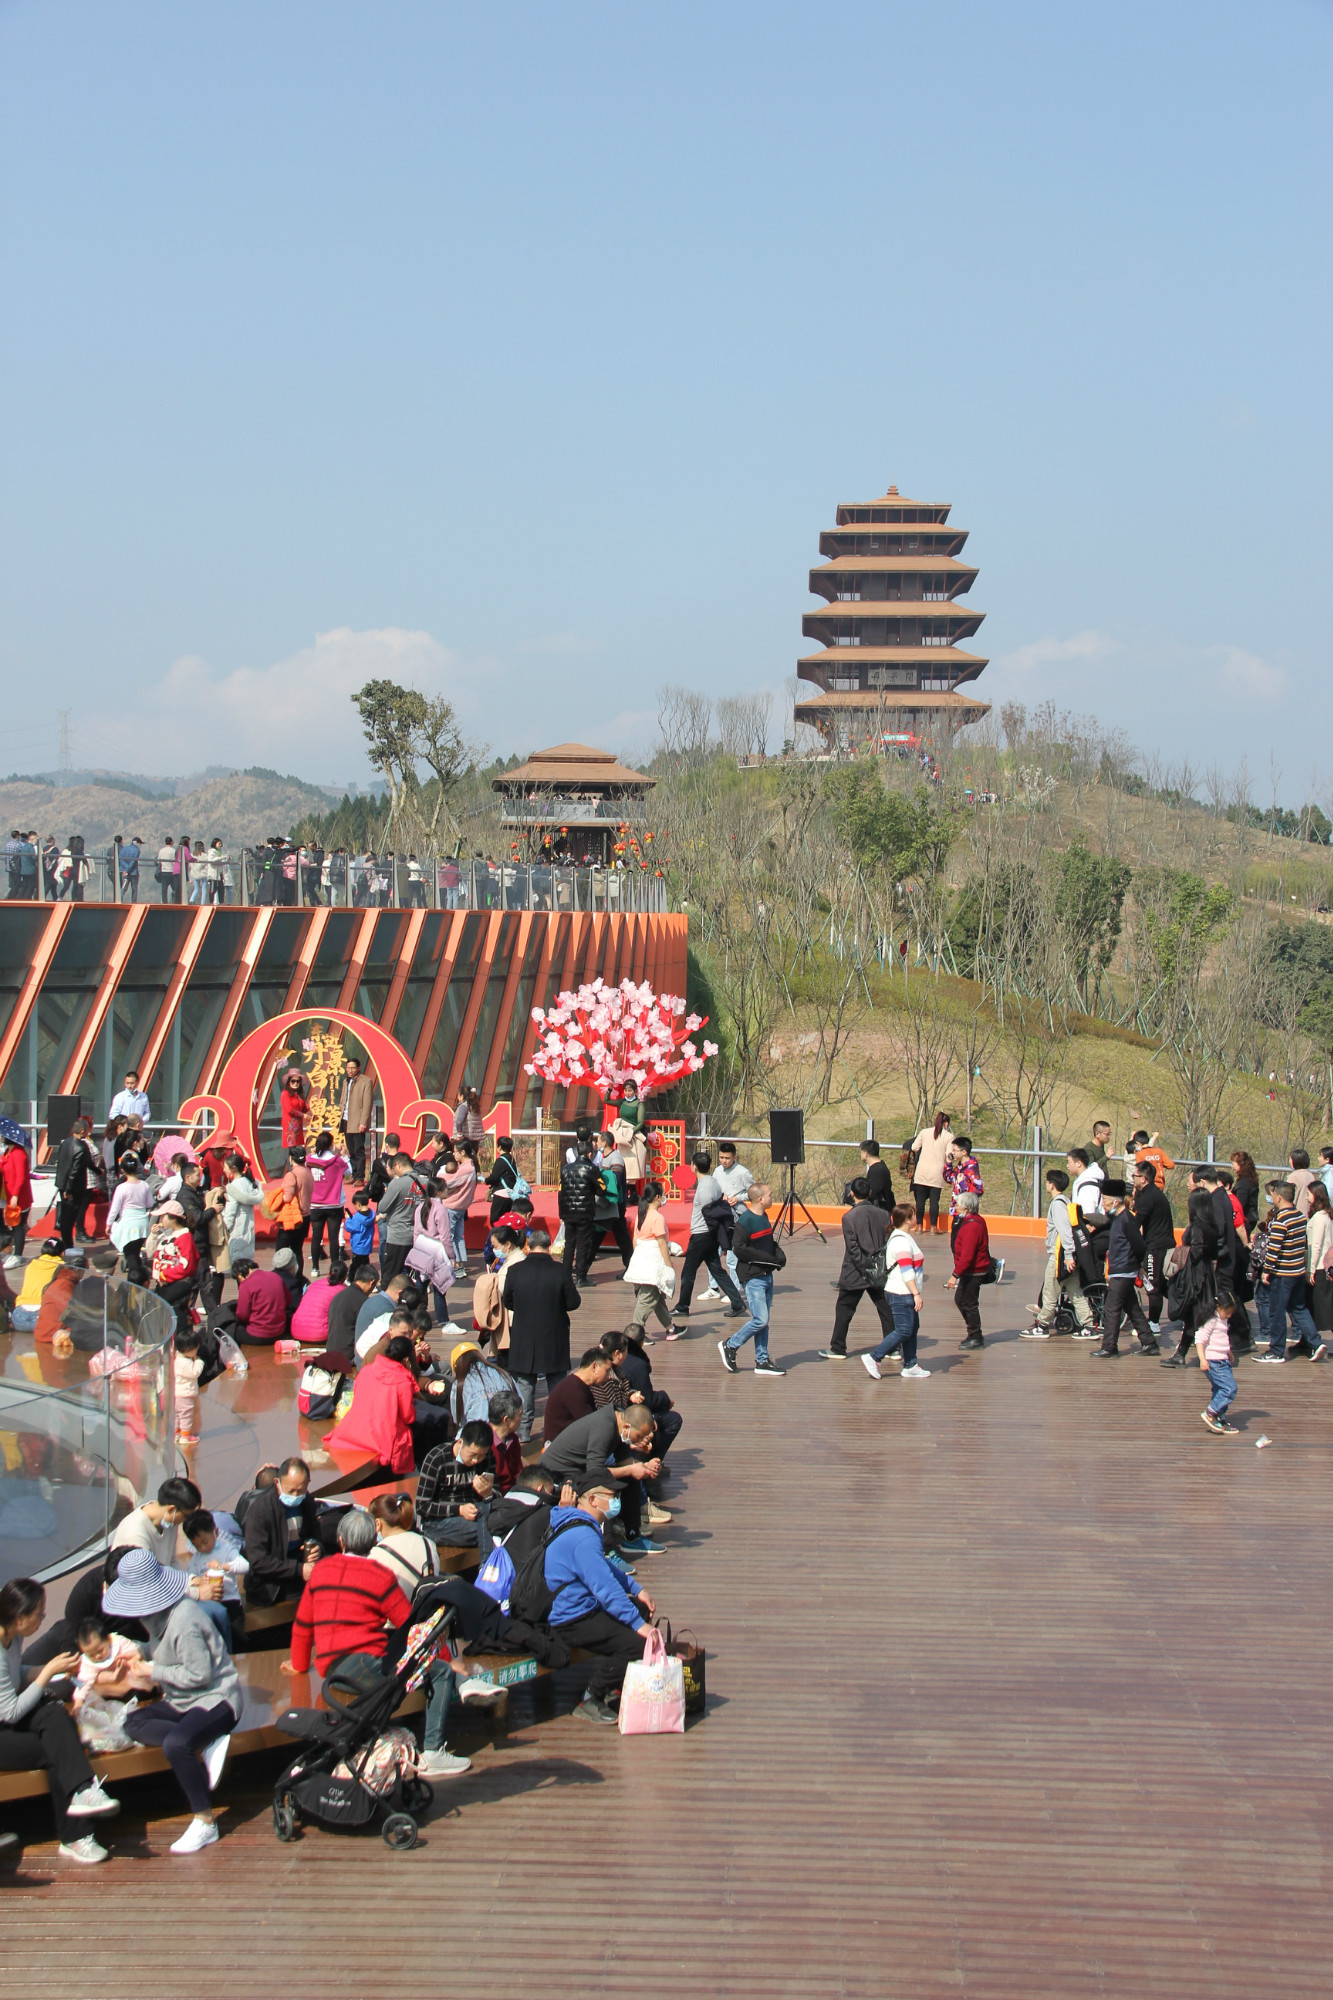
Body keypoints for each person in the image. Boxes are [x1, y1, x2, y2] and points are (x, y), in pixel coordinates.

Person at [284, 1508, 468, 1780]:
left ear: (341, 1540)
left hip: (332, 1671)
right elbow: (412, 1627)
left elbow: (302, 1625)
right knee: (440, 1672)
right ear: (374, 1541)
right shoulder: (379, 1575)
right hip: (361, 1664)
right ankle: (433, 1751)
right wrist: (446, 1659)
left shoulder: (321, 1570)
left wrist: (299, 1665)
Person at [105, 1550, 241, 1852]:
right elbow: (165, 1650)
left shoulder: (184, 1618)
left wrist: (152, 1671)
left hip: (216, 1698)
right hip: (183, 1701)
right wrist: (137, 1652)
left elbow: (200, 1674)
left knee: (176, 1745)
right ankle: (204, 1743)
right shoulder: (157, 1614)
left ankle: (205, 1821)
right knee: (133, 1721)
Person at [0, 1577, 121, 1864]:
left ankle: (83, 1793)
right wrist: (46, 1674)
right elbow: (10, 1712)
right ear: (19, 1618)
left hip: (6, 1720)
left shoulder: (13, 1636)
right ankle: (75, 1835)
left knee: (55, 1715)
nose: (43, 1618)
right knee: (60, 1749)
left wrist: (52, 1670)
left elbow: (15, 1673)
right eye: (39, 1614)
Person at [544, 1474, 658, 1725]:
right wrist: (638, 1625)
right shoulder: (583, 1536)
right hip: (571, 1617)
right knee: (638, 1644)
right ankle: (590, 1697)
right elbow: (603, 1586)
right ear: (594, 1500)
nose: (617, 1501)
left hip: (582, 1605)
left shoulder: (578, 1523)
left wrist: (635, 1588)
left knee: (639, 1608)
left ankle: (617, 1683)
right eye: (612, 1496)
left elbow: (601, 1566)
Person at [539, 1401, 662, 1555]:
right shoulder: (604, 1427)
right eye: (639, 1436)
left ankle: (632, 1536)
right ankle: (605, 1550)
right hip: (558, 1475)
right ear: (627, 1427)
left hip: (581, 1471)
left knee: (631, 1476)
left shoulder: (620, 1424)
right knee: (602, 1490)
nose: (640, 1441)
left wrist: (644, 1467)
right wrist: (631, 1469)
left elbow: (623, 1461)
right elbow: (595, 1474)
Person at [502, 1225, 581, 1440]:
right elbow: (573, 1302)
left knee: (525, 1385)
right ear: (549, 1246)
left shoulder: (515, 1271)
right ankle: (555, 1431)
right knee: (557, 1385)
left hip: (523, 1335)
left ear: (528, 1245)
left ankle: (523, 1432)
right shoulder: (560, 1271)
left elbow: (507, 1301)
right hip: (554, 1335)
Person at [819, 1176, 898, 1361]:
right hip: (879, 1269)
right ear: (869, 1193)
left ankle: (838, 1348)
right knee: (885, 1309)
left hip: (856, 1271)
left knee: (844, 1309)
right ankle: (893, 1348)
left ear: (852, 1193)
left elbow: (853, 1248)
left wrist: (864, 1267)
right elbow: (888, 1241)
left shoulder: (849, 1217)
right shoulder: (884, 1214)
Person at [718, 1182, 785, 1376]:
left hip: (766, 1275)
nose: (772, 1197)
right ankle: (731, 1345)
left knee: (764, 1321)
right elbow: (739, 1248)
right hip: (753, 1277)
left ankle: (762, 1360)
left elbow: (767, 1243)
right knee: (760, 1319)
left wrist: (777, 1255)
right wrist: (768, 1259)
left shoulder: (763, 1217)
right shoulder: (745, 1221)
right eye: (770, 1194)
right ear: (760, 1199)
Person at [673, 1148, 745, 1326]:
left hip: (701, 1235)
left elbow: (709, 1213)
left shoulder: (704, 1187)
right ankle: (737, 1303)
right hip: (710, 1235)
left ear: (694, 1166)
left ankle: (682, 1307)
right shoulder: (713, 1182)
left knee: (688, 1273)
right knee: (717, 1270)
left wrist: (708, 1232)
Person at [331, 1333, 421, 1476]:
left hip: (354, 1430)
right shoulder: (402, 1380)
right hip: (382, 1438)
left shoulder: (367, 1370)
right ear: (405, 1359)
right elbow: (408, 1417)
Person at [1022, 1169, 1095, 1339]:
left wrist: (1068, 1256)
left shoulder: (1057, 1205)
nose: (1046, 1184)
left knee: (1049, 1293)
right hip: (1067, 1257)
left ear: (1052, 1185)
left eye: (1047, 1182)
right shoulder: (1066, 1201)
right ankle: (1089, 1326)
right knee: (1076, 1294)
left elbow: (1065, 1231)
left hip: (1059, 1258)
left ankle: (1042, 1326)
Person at [861, 1204, 930, 1379]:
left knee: (912, 1328)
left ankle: (910, 1364)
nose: (917, 1218)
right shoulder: (901, 1241)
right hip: (901, 1292)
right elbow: (906, 1270)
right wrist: (916, 1294)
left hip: (904, 1291)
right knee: (904, 1329)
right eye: (914, 1215)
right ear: (907, 1219)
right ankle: (873, 1357)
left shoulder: (904, 1237)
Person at [1258, 1181, 1324, 1364]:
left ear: (1279, 1197)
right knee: (1298, 1308)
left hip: (1282, 1273)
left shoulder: (1281, 1220)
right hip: (1297, 1271)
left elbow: (1274, 1249)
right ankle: (1316, 1342)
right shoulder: (1300, 1216)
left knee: (1277, 1311)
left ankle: (1276, 1351)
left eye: (1272, 1195)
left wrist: (1266, 1270)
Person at [241, 1457, 322, 1605]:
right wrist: (299, 1569)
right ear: (277, 1483)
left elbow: (315, 1534)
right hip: (269, 1584)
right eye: (291, 1491)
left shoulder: (307, 1502)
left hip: (300, 1572)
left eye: (301, 1490)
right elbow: (258, 1561)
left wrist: (317, 1548)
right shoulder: (260, 1510)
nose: (295, 1496)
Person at [1092, 1182, 1157, 1357]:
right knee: (1132, 1307)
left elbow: (1139, 1245)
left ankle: (1109, 1347)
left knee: (1111, 1308)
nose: (1103, 1203)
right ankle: (1149, 1342)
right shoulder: (1117, 1218)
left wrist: (1138, 1265)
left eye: (1105, 1199)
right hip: (1120, 1269)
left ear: (1116, 1201)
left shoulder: (1127, 1219)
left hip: (1124, 1270)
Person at [416, 1418, 497, 1553]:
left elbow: (497, 1492)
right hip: (439, 1520)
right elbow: (422, 1506)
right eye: (472, 1455)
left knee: (500, 1525)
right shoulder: (437, 1459)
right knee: (485, 1532)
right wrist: (459, 1510)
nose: (476, 1460)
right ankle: (487, 1564)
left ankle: (488, 1562)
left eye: (481, 1455)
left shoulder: (487, 1457)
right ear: (460, 1443)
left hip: (475, 1513)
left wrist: (488, 1494)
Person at [182, 1510, 249, 1654]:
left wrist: (224, 1566)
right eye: (196, 1545)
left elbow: (244, 1566)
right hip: (210, 1603)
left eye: (205, 1542)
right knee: (217, 1639)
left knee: (237, 1636)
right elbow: (189, 1576)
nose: (202, 1548)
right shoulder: (196, 1558)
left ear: (216, 1532)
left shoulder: (227, 1550)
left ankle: (241, 1659)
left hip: (230, 1601)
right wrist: (199, 1580)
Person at [110, 1475, 201, 1568]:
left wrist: (188, 1577)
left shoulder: (170, 1522)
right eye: (186, 1516)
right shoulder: (135, 1532)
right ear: (171, 1509)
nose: (184, 1520)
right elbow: (146, 1573)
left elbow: (172, 1560)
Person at [625, 1180, 677, 1339]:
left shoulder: (641, 1214)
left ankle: (670, 1328)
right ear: (657, 1197)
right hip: (653, 1263)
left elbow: (635, 1239)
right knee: (648, 1298)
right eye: (663, 1194)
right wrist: (669, 1266)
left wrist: (637, 1258)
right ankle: (635, 1333)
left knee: (657, 1297)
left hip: (641, 1259)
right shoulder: (657, 1217)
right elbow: (661, 1243)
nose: (664, 1197)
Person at [1129, 1158, 1175, 1336]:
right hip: (1159, 1244)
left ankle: (1154, 1323)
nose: (1132, 1178)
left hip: (1156, 1247)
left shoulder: (1149, 1197)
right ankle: (1186, 1309)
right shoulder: (1150, 1193)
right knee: (1162, 1285)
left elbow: (1136, 1223)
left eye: (1134, 1176)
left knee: (1153, 1284)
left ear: (1143, 1178)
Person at [946, 1191, 991, 1349]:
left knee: (968, 1303)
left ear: (966, 1208)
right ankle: (973, 1333)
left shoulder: (972, 1226)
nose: (956, 1207)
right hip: (971, 1270)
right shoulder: (975, 1220)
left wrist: (955, 1275)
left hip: (974, 1271)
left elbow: (967, 1254)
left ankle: (976, 1336)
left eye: (958, 1205)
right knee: (961, 1300)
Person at [542, 1346, 615, 1442]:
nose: (609, 1376)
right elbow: (592, 1425)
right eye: (607, 1371)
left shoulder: (577, 1384)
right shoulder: (573, 1390)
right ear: (594, 1366)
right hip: (559, 1446)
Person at [558, 1131, 601, 1285]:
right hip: (585, 1212)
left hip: (568, 1212)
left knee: (569, 1244)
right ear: (589, 1154)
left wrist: (561, 1213)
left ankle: (565, 1274)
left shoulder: (565, 1169)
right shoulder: (592, 1169)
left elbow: (561, 1192)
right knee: (583, 1244)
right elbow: (602, 1189)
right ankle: (581, 1276)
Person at [1195, 1291, 1240, 1435]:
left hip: (1223, 1359)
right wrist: (1202, 1359)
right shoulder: (1212, 1320)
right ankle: (1211, 1412)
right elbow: (1200, 1339)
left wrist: (1228, 1351)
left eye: (1231, 1313)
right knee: (1229, 1388)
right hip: (1214, 1361)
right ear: (1219, 1307)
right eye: (1227, 1312)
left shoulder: (1222, 1319)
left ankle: (1219, 1418)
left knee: (1219, 1389)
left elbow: (1221, 1337)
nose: (1229, 1316)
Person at [304, 1130, 348, 1270]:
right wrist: (344, 1156)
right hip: (334, 1204)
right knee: (333, 1238)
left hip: (315, 1204)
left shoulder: (309, 1160)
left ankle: (315, 1268)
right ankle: (334, 1268)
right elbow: (348, 1171)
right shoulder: (337, 1160)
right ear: (330, 1145)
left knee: (316, 1237)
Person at [374, 1152, 419, 1286]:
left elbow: (382, 1207)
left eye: (393, 1168)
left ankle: (386, 1298)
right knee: (415, 1276)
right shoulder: (424, 1181)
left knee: (390, 1275)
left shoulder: (397, 1183)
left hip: (398, 1235)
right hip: (417, 1234)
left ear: (398, 1165)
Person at [53, 1114, 95, 1253]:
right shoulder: (81, 1147)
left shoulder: (65, 1143)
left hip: (62, 1184)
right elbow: (74, 1171)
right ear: (82, 1131)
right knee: (69, 1217)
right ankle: (68, 1246)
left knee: (67, 1216)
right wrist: (69, 1190)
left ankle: (68, 1244)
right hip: (73, 1188)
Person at [448, 1339, 513, 1426]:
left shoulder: (459, 1384)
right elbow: (520, 1402)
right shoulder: (502, 1373)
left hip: (477, 1431)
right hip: (506, 1427)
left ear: (456, 1366)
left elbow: (457, 1419)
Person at [908, 1111, 953, 1231]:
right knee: (934, 1201)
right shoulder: (949, 1137)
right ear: (946, 1123)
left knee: (920, 1201)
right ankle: (933, 1227)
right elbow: (949, 1156)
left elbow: (914, 1147)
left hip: (921, 1171)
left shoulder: (924, 1132)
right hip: (937, 1172)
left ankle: (919, 1226)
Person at [326, 1262, 378, 1363]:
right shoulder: (363, 1301)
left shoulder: (338, 1296)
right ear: (371, 1282)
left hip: (330, 1351)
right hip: (348, 1356)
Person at [230, 1257, 288, 1344]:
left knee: (229, 1330)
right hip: (280, 1331)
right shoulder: (276, 1276)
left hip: (258, 1334)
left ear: (239, 1274)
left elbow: (242, 1315)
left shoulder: (246, 1285)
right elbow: (288, 1300)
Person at [292, 1256, 347, 1346]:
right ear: (345, 1276)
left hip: (296, 1330)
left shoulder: (314, 1284)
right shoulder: (343, 1290)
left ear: (329, 1273)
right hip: (319, 1335)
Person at [221, 1152, 262, 1264]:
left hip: (237, 1228)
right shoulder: (247, 1182)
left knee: (236, 1263)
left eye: (225, 1167)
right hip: (248, 1226)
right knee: (246, 1262)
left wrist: (225, 1229)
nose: (224, 1170)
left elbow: (230, 1212)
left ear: (233, 1169)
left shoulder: (234, 1186)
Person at [339, 1057, 375, 1181]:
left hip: (357, 1120)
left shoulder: (366, 1081)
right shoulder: (345, 1081)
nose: (350, 1070)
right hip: (345, 1119)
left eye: (353, 1068)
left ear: (358, 1068)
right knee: (351, 1149)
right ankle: (354, 1174)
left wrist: (363, 1122)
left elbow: (367, 1104)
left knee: (358, 1149)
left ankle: (360, 1176)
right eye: (348, 1068)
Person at [1, 1132, 33, 1268]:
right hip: (8, 1194)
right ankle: (11, 1254)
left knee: (18, 1225)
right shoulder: (8, 1152)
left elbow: (21, 1177)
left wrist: (15, 1195)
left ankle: (18, 1256)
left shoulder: (19, 1153)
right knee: (12, 1224)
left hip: (19, 1196)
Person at [944, 1136, 984, 1230]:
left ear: (964, 1152)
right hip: (957, 1209)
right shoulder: (960, 1166)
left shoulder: (971, 1169)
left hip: (966, 1212)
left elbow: (979, 1190)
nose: (952, 1152)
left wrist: (962, 1184)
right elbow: (949, 1178)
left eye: (955, 1150)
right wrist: (948, 1164)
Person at [174, 1328, 205, 1446]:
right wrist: (199, 1362)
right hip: (185, 1395)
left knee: (177, 1415)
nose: (196, 1352)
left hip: (177, 1394)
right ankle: (185, 1436)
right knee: (186, 1415)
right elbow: (194, 1373)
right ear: (189, 1349)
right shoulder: (184, 1363)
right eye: (195, 1349)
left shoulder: (177, 1358)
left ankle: (177, 1433)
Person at [857, 1137, 894, 1214]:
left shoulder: (877, 1170)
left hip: (880, 1212)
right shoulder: (879, 1167)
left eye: (861, 1152)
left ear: (865, 1154)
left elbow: (872, 1192)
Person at [1067, 1146, 1105, 1215]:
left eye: (1069, 1162)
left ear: (1078, 1163)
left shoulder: (1087, 1187)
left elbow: (1088, 1215)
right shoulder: (1081, 1181)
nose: (1067, 1166)